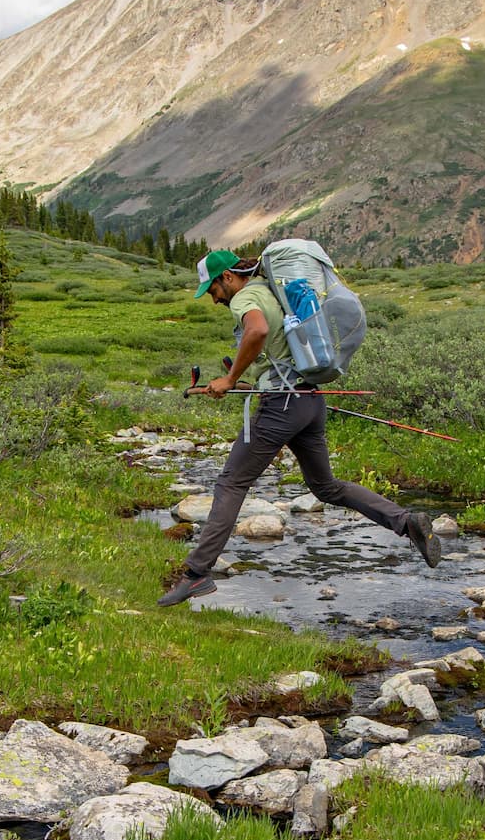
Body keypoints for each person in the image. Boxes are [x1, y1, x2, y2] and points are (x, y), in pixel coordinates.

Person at [159, 249, 440, 605]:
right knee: (326, 487)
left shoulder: (246, 297)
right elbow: (278, 356)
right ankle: (406, 522)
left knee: (231, 483)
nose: (213, 299)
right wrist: (245, 383)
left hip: (282, 406)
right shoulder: (271, 292)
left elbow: (258, 330)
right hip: (309, 401)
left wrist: (231, 377)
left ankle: (197, 575)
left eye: (212, 289)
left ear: (227, 278)